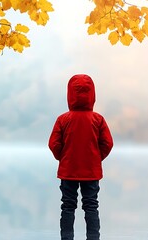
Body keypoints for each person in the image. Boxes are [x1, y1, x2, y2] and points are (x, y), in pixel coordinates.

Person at [48, 74, 113, 240]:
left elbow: (53, 144)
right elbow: (107, 144)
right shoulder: (98, 119)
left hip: (68, 170)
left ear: (69, 94)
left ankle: (67, 237)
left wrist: (63, 158)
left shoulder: (63, 119)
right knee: (91, 205)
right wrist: (96, 158)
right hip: (91, 171)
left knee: (67, 206)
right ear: (93, 95)